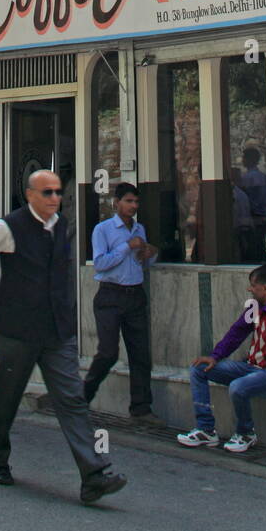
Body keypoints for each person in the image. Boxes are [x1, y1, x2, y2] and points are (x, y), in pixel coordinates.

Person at [0, 169, 127, 505]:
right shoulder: (9, 227)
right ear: (30, 195)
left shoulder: (62, 226)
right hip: (17, 330)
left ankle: (93, 475)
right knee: (7, 397)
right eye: (47, 192)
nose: (55, 198)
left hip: (56, 330)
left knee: (72, 398)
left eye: (57, 192)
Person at [177, 263, 266, 451]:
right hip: (251, 367)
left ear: (264, 288)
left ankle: (246, 432)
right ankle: (205, 429)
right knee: (199, 369)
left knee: (238, 387)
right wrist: (215, 356)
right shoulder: (255, 307)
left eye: (253, 285)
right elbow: (237, 333)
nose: (250, 289)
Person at [84, 182, 164, 427]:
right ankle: (81, 398)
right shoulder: (103, 229)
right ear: (116, 202)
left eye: (136, 202)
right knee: (108, 352)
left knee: (140, 354)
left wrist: (150, 254)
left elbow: (143, 263)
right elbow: (100, 263)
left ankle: (141, 408)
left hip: (135, 294)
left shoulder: (140, 229)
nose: (133, 206)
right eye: (129, 201)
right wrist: (126, 246)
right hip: (110, 295)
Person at [233, 145, 266, 263]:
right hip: (263, 213)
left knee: (253, 244)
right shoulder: (263, 177)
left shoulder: (248, 178)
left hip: (254, 215)